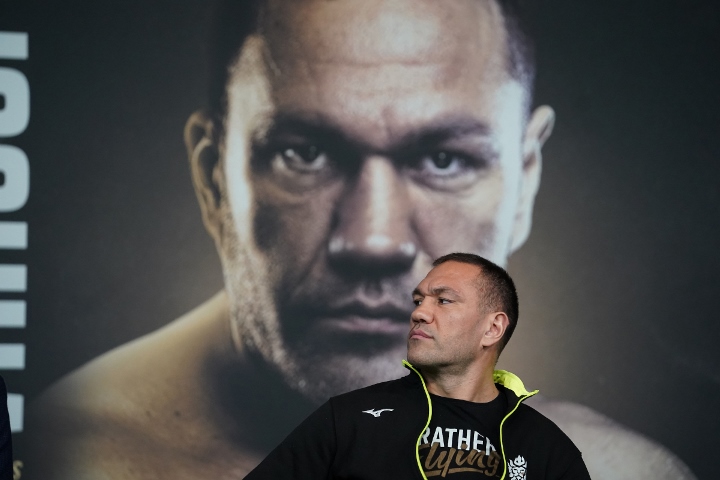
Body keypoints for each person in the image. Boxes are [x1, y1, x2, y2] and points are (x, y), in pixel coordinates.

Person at [27, 0, 695, 478]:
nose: (373, 238)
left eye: (443, 160)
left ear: (526, 178)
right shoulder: (68, 458)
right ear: (212, 179)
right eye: (305, 153)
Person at [245, 253, 592, 479]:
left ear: (492, 328)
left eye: (443, 300)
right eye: (418, 300)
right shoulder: (349, 418)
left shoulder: (547, 449)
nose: (419, 313)